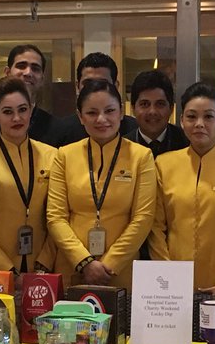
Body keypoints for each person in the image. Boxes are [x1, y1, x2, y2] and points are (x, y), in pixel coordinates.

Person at [148, 83, 215, 294]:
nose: (199, 124)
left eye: (208, 117)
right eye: (191, 117)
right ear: (181, 121)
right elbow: (155, 227)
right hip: (171, 284)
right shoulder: (163, 164)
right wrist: (167, 275)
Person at [47, 78, 156, 289]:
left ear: (121, 112)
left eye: (109, 111)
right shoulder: (64, 156)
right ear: (80, 117)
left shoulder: (141, 157)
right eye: (91, 112)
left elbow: (143, 218)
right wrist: (85, 262)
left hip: (120, 271)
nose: (101, 119)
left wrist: (108, 264)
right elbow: (56, 217)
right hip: (73, 268)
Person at [0, 78, 58, 274]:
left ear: (32, 110)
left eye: (22, 110)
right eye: (8, 112)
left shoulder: (53, 156)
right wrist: (7, 270)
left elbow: (60, 216)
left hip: (42, 267)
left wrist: (44, 262)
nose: (17, 118)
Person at [0, 44, 57, 146]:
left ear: (42, 79)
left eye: (35, 69)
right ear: (7, 72)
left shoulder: (55, 128)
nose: (28, 73)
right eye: (21, 66)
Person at [47, 52, 139, 146]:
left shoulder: (135, 130)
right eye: (88, 83)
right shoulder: (61, 131)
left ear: (116, 86)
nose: (95, 88)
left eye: (102, 83)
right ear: (77, 86)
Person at [126, 69, 189, 156]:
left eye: (160, 104)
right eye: (144, 104)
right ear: (133, 109)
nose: (152, 111)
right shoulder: (123, 147)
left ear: (171, 109)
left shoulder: (187, 144)